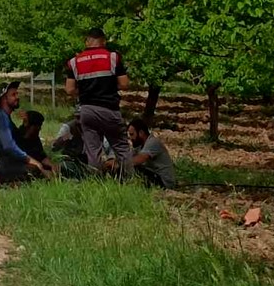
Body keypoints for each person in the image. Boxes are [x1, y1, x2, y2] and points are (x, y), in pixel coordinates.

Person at [65, 27, 133, 177]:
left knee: (93, 150)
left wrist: (84, 91)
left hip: (87, 110)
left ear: (87, 41)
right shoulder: (113, 57)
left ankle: (96, 181)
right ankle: (130, 180)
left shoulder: (74, 62)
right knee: (121, 148)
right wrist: (107, 87)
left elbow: (69, 89)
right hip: (109, 109)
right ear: (103, 41)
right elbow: (124, 84)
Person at [0, 81, 46, 190]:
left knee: (34, 165)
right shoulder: (0, 117)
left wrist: (26, 124)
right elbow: (9, 146)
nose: (17, 97)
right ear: (4, 99)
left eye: (17, 94)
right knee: (32, 170)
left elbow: (19, 139)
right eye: (13, 95)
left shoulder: (4, 117)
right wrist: (31, 160)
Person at [127, 117, 176, 188]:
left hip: (164, 181)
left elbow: (140, 159)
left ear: (141, 133)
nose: (130, 138)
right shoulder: (139, 146)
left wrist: (121, 164)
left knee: (134, 168)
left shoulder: (153, 142)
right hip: (155, 177)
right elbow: (129, 157)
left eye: (132, 134)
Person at [14, 110, 56, 175]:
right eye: (37, 126)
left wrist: (52, 165)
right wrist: (41, 169)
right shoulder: (16, 137)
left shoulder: (35, 138)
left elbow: (41, 156)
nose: (39, 128)